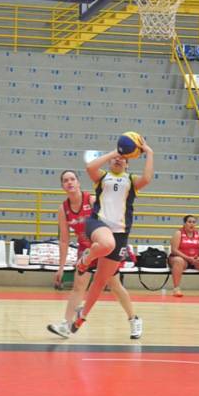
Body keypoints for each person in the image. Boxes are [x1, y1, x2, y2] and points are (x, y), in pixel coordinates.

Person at [70, 140, 154, 334]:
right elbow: (90, 167)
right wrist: (115, 151)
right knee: (107, 243)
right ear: (109, 161)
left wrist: (149, 152)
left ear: (128, 163)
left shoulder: (131, 181)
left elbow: (147, 178)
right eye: (115, 158)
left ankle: (82, 316)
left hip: (120, 233)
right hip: (98, 224)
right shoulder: (102, 177)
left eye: (122, 158)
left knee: (101, 281)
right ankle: (85, 260)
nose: (118, 159)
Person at [47, 170, 142, 339]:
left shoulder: (91, 200)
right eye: (65, 180)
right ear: (62, 186)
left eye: (72, 179)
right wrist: (60, 267)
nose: (69, 182)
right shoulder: (63, 209)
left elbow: (110, 221)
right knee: (78, 286)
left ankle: (133, 319)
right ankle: (66, 325)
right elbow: (64, 240)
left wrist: (117, 245)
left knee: (115, 285)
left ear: (78, 182)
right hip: (86, 249)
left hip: (103, 246)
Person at [168, 214, 199, 298]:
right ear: (184, 223)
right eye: (189, 222)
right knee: (178, 261)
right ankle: (176, 289)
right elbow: (174, 250)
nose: (192, 224)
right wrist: (187, 258)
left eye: (194, 222)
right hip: (182, 259)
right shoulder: (178, 233)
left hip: (195, 260)